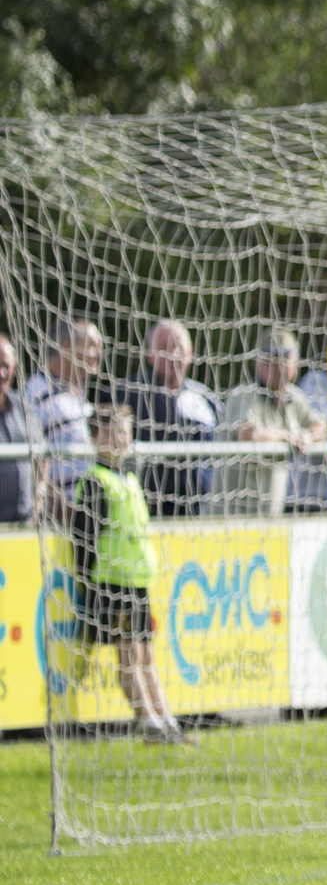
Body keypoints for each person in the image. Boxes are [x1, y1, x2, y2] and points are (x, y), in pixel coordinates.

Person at [71, 405, 190, 745]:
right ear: (95, 439)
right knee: (128, 655)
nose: (121, 439)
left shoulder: (132, 479)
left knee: (147, 654)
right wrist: (90, 582)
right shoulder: (95, 482)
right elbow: (84, 540)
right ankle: (149, 724)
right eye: (111, 433)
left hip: (138, 582)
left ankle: (168, 722)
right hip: (113, 583)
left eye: (125, 432)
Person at [214, 328, 326, 516]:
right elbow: (246, 433)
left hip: (270, 518)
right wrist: (288, 437)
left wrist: (307, 436)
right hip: (229, 517)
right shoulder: (243, 395)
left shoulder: (294, 397)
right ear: (257, 363)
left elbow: (321, 425)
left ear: (296, 363)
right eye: (271, 359)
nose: (279, 365)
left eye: (285, 358)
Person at [118, 321, 220, 517]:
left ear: (191, 352)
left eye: (179, 347)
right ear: (149, 354)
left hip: (203, 513)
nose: (173, 354)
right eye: (164, 347)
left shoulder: (206, 398)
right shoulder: (129, 395)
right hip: (150, 513)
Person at [25, 319, 102, 510]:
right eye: (92, 346)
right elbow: (34, 458)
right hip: (60, 516)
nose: (99, 353)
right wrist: (56, 505)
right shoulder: (37, 390)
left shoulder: (79, 393)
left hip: (88, 510)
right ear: (67, 348)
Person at [0, 336, 34, 524]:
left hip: (24, 524)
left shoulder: (23, 407)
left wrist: (40, 495)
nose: (2, 373)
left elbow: (41, 453)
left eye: (6, 366)